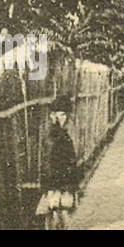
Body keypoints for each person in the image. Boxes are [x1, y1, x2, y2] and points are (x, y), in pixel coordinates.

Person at [37, 96, 78, 230]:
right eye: (60, 115)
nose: (63, 118)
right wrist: (50, 189)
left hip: (63, 185)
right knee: (57, 221)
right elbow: (47, 163)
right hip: (56, 186)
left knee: (62, 222)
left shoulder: (62, 134)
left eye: (65, 115)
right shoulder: (53, 137)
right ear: (52, 116)